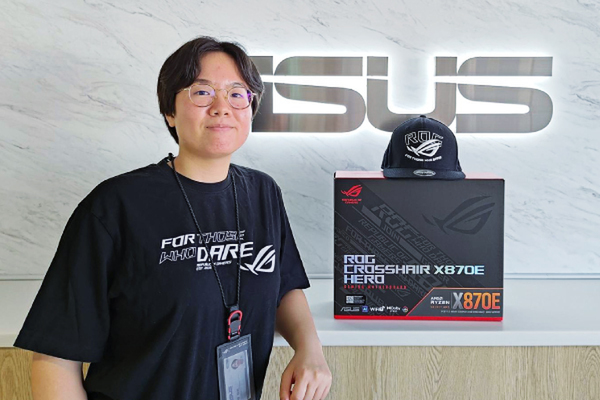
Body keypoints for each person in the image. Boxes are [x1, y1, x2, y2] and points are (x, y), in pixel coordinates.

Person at [14, 36, 332, 400]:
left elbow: (284, 286)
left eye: (236, 94)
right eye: (202, 92)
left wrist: (310, 349)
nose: (222, 107)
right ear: (170, 111)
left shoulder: (263, 193)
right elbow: (56, 355)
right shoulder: (116, 205)